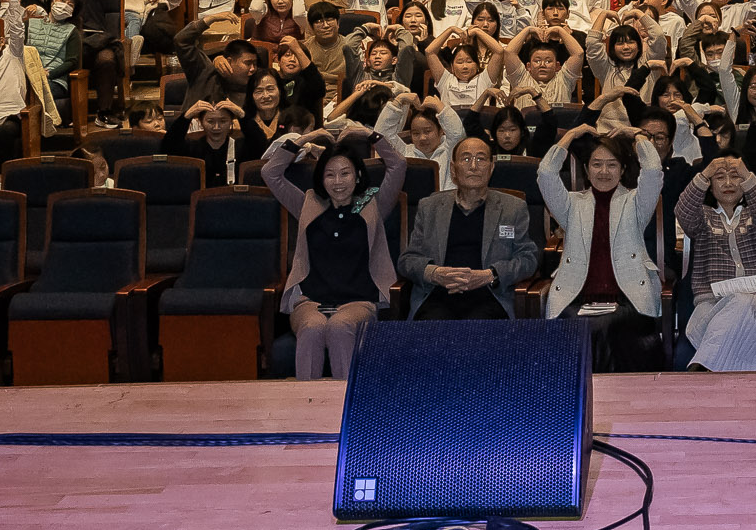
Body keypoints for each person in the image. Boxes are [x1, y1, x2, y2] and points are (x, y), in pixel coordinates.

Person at [263, 121, 408, 380]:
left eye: (345, 173)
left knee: (340, 328)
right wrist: (303, 137)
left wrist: (369, 134)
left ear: (358, 175)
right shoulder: (308, 203)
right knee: (313, 328)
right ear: (321, 178)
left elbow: (398, 165)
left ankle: (343, 408)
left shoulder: (373, 203)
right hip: (310, 301)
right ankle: (306, 409)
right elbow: (270, 173)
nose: (338, 182)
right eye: (330, 174)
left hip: (358, 302)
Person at [539, 127, 667, 371]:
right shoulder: (571, 205)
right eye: (597, 164)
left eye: (612, 165)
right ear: (587, 170)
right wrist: (571, 136)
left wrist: (638, 136)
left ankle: (602, 396)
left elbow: (652, 171)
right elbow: (546, 174)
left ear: (623, 170)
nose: (604, 172)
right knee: (580, 325)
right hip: (576, 297)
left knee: (605, 326)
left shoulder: (635, 203)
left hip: (626, 299)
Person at [398, 135, 540, 320]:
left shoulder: (513, 208)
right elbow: (407, 260)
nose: (473, 166)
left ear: (491, 168)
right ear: (453, 169)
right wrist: (434, 273)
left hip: (488, 295)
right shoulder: (429, 206)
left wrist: (490, 275)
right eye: (466, 159)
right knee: (432, 330)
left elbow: (528, 259)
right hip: (438, 295)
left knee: (480, 331)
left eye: (481, 159)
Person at [676, 148, 756, 371]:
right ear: (710, 185)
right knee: (712, 322)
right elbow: (683, 211)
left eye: (735, 176)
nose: (728, 182)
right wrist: (704, 174)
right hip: (711, 302)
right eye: (719, 177)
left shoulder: (755, 216)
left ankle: (701, 368)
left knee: (740, 302)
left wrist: (748, 175)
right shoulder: (703, 217)